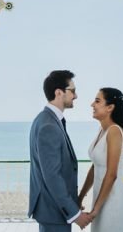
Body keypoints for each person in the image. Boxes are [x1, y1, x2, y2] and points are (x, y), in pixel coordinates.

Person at [28, 70, 92, 231]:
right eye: (73, 91)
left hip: (53, 212)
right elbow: (52, 176)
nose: (76, 96)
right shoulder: (48, 125)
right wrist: (75, 214)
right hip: (54, 213)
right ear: (58, 92)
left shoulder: (46, 119)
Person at [77, 87, 123, 232]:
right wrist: (80, 197)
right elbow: (95, 167)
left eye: (97, 101)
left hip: (113, 202)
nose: (92, 105)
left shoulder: (114, 131)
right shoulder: (102, 131)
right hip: (100, 199)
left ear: (110, 107)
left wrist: (96, 209)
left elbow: (112, 174)